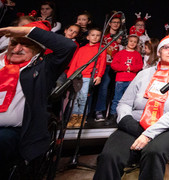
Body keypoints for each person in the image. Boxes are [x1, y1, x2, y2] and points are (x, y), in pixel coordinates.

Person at [93, 35, 169, 180]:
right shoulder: (143, 74)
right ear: (159, 51)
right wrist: (127, 122)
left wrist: (149, 133)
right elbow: (124, 103)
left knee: (153, 152)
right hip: (135, 124)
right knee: (109, 155)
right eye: (166, 48)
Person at [0, 21, 76, 179]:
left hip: (13, 132)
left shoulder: (42, 68)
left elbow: (68, 47)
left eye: (25, 44)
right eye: (14, 43)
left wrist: (24, 31)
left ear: (38, 49)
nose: (17, 49)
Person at [66, 28, 107, 128]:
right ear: (88, 37)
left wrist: (99, 76)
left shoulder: (101, 48)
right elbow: (74, 63)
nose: (95, 37)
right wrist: (70, 76)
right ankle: (74, 116)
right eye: (93, 35)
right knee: (75, 97)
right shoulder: (81, 48)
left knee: (83, 96)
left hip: (88, 76)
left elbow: (102, 64)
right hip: (78, 76)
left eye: (98, 35)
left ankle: (81, 117)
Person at [94, 13, 123, 122]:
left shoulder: (121, 36)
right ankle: (99, 111)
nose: (116, 24)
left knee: (116, 89)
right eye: (114, 22)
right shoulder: (103, 36)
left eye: (118, 22)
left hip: (116, 66)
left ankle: (113, 112)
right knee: (103, 87)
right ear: (109, 23)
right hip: (104, 65)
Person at [109, 35, 143, 120]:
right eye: (131, 41)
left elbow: (140, 66)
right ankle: (113, 114)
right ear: (127, 41)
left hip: (131, 80)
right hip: (120, 79)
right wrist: (125, 68)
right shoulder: (120, 53)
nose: (132, 43)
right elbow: (113, 65)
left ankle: (127, 116)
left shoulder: (137, 54)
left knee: (130, 99)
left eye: (135, 42)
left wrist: (131, 68)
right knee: (117, 98)